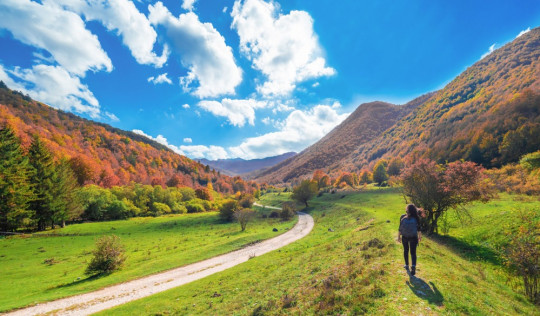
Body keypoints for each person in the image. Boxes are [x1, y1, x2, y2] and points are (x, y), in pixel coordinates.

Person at [397, 204, 422, 276]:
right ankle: (413, 266)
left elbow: (400, 228)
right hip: (413, 237)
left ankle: (407, 265)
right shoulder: (416, 218)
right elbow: (419, 229)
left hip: (405, 236)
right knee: (413, 253)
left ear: (407, 210)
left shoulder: (402, 217)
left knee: (406, 250)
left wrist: (399, 237)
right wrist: (420, 237)